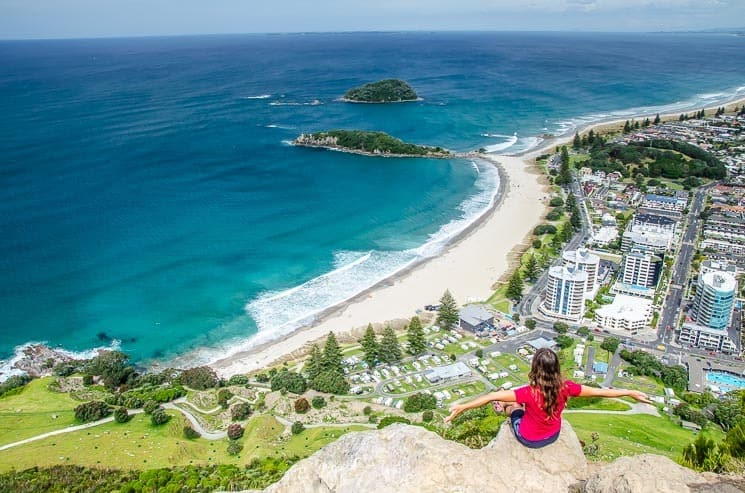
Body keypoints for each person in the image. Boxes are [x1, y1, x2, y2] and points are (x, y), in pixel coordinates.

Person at [444, 348, 651, 448]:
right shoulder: (566, 387)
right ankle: (505, 406)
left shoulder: (528, 392)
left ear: (535, 368)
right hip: (553, 435)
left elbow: (490, 396)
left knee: (513, 405)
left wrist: (462, 407)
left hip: (530, 439)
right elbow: (601, 392)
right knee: (520, 404)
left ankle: (504, 409)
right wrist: (630, 393)